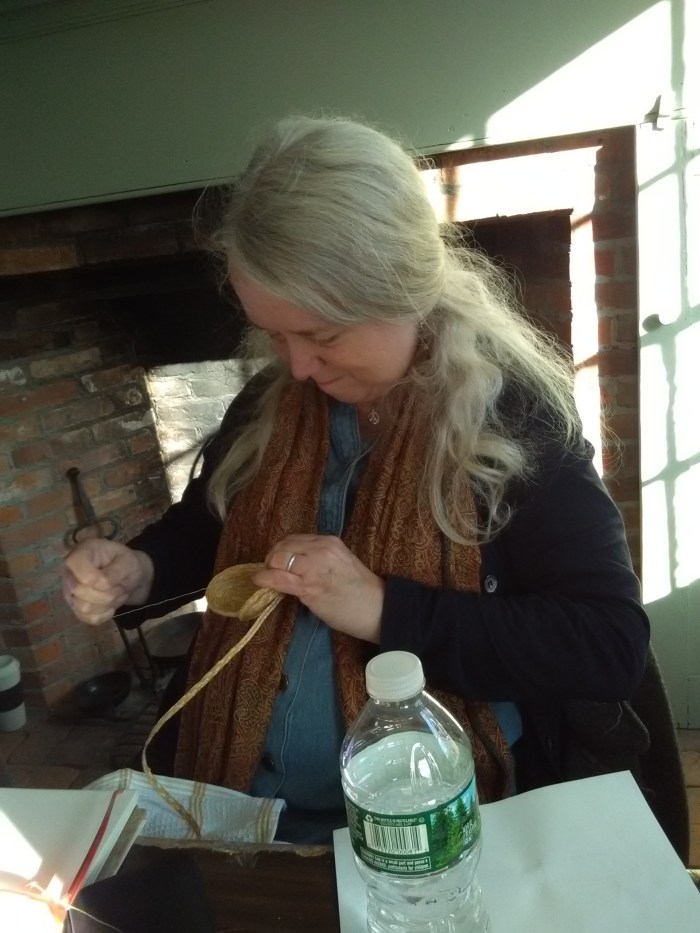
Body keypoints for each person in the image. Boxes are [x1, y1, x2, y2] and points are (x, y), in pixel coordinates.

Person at [62, 114, 650, 845]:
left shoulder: (513, 425)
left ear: (407, 289)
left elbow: (606, 646)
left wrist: (382, 608)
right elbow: (209, 528)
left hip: (429, 833)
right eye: (276, 334)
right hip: (236, 809)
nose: (298, 366)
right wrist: (142, 568)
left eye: (322, 335)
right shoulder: (271, 403)